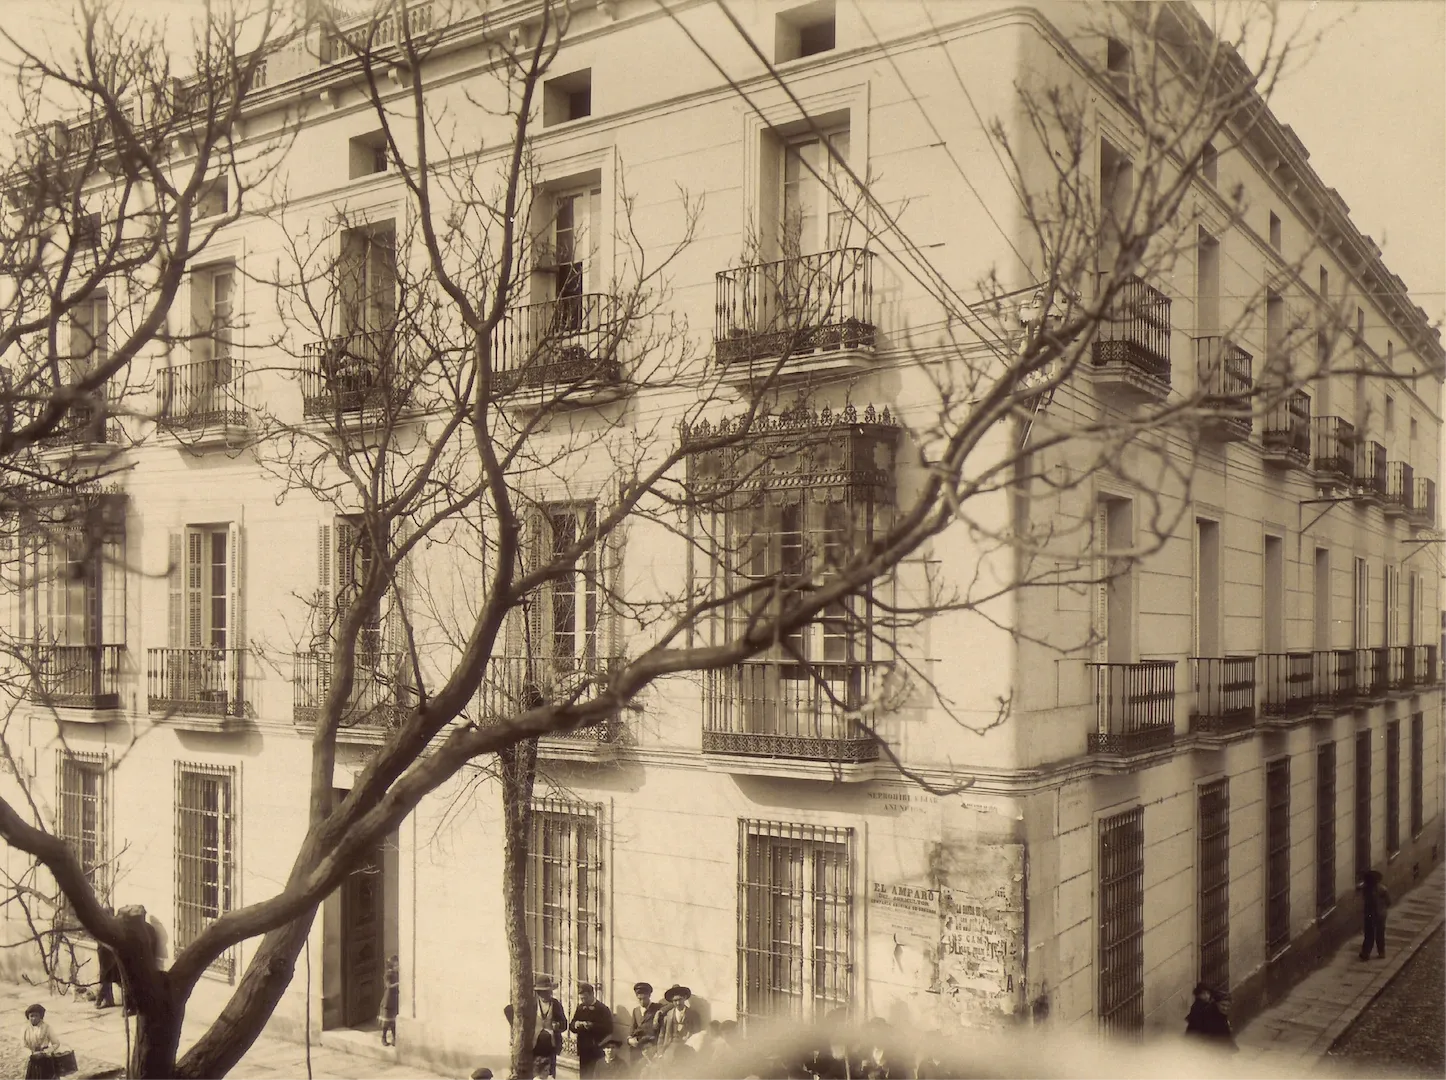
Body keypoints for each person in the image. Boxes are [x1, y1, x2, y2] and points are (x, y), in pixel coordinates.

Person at [569, 982, 612, 1080]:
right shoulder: (580, 1008)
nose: (583, 1001)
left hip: (597, 1049)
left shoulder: (602, 1009)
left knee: (596, 1076)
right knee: (584, 1076)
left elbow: (609, 1029)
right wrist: (576, 1025)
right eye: (581, 999)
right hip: (583, 1050)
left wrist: (592, 1026)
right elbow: (571, 1026)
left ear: (592, 995)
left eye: (585, 998)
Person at [22, 1004, 73, 1080]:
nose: (34, 1018)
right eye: (31, 1016)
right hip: (33, 1059)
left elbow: (56, 1043)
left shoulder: (47, 1027)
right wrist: (31, 1053)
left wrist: (45, 1052)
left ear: (41, 1016)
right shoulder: (26, 1029)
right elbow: (23, 1044)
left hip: (45, 1059)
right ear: (28, 1017)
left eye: (36, 1016)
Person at [656, 986, 701, 1052]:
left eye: (680, 999)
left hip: (687, 1047)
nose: (678, 1003)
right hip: (670, 1047)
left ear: (685, 998)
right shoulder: (668, 1016)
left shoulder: (693, 1015)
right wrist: (660, 1052)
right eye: (675, 1000)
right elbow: (661, 1036)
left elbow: (697, 1034)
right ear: (672, 1001)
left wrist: (689, 1037)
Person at [1359, 868, 1390, 960]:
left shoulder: (1366, 889)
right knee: (1378, 934)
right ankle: (1380, 952)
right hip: (1379, 914)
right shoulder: (1382, 889)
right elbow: (1388, 902)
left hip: (1371, 915)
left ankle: (1366, 953)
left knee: (1370, 934)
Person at [627, 982, 663, 1057]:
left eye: (645, 998)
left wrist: (659, 1013)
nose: (642, 1002)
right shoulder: (636, 1010)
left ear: (649, 996)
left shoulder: (657, 1007)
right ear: (636, 996)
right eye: (640, 999)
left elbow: (671, 1005)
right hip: (637, 1044)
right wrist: (630, 1039)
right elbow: (632, 1029)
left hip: (651, 1044)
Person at [94, 908, 119, 1009]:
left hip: (110, 954)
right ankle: (103, 999)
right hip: (104, 953)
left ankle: (106, 999)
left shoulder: (112, 926)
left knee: (107, 975)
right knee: (105, 975)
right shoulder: (101, 926)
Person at [380, 954, 400, 1046]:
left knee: (393, 1021)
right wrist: (398, 983)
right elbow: (388, 986)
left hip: (395, 999)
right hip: (388, 999)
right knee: (386, 1021)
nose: (397, 967)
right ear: (392, 966)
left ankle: (394, 1038)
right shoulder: (388, 975)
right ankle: (383, 1037)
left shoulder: (397, 974)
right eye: (396, 965)